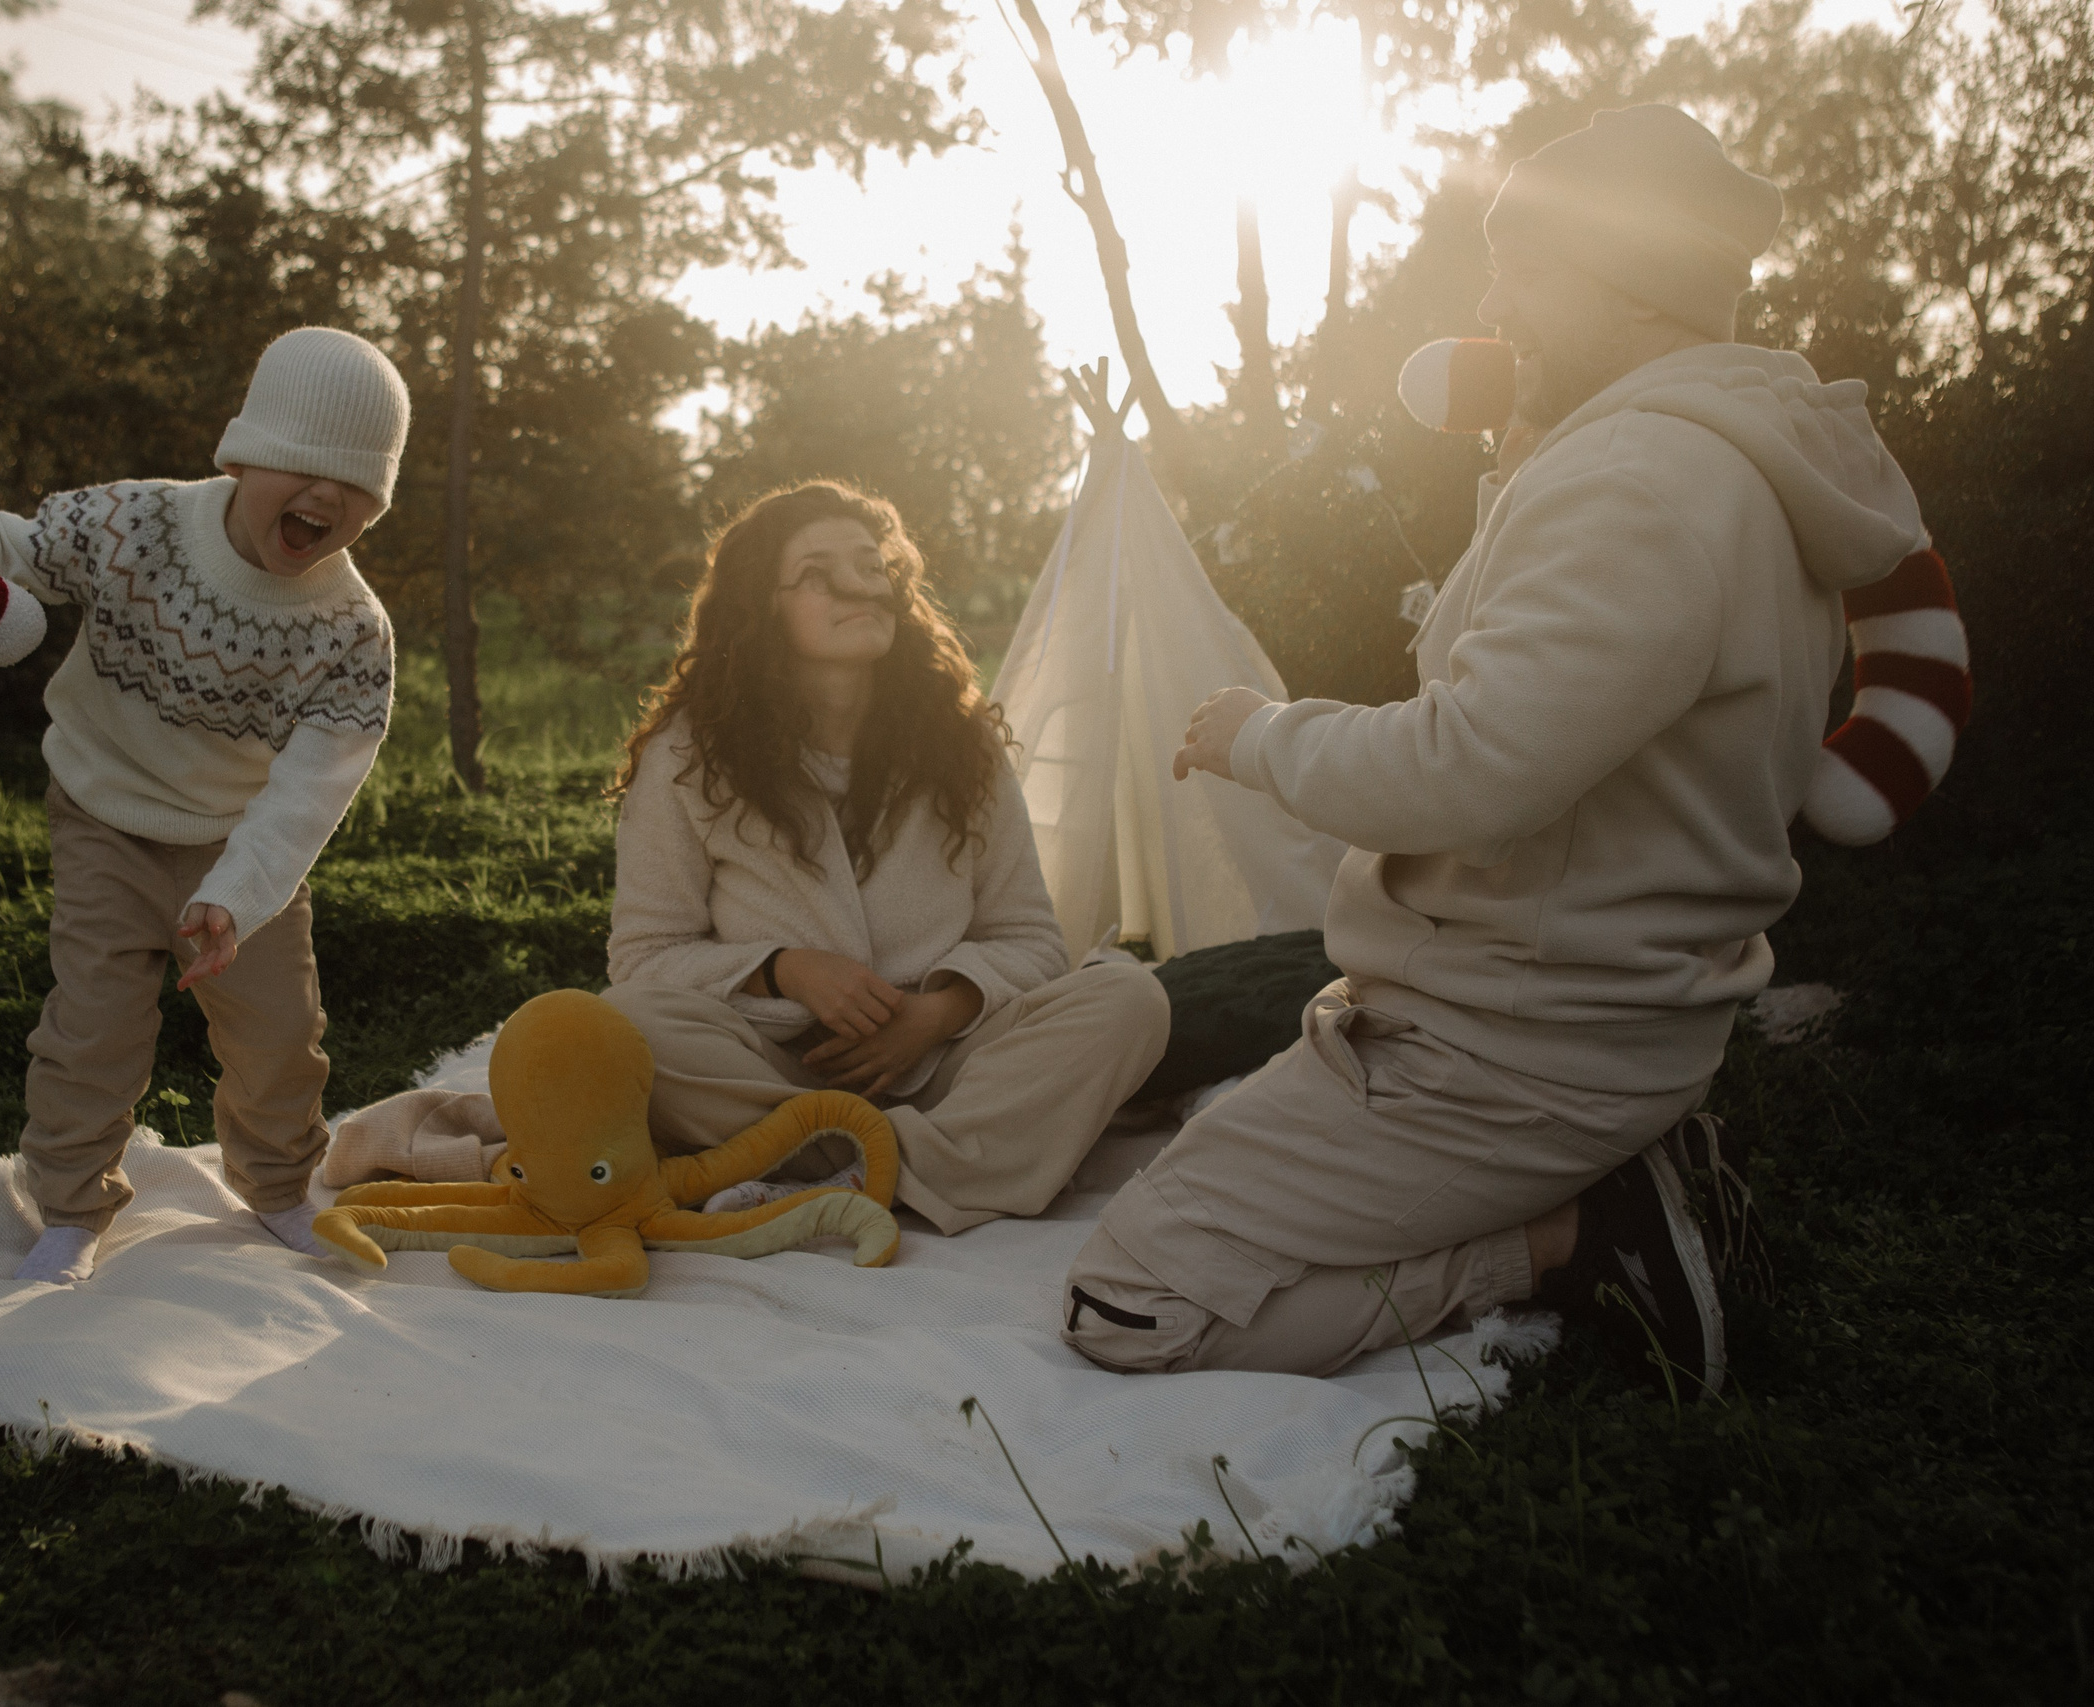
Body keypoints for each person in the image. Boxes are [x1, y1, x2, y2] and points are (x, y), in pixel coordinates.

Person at [1062, 105, 1927, 1397]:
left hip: (1512, 1050)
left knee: (1123, 1294)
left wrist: (1263, 734)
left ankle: (1580, 1239)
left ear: (1628, 284)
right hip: (1586, 1014)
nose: (1491, 299)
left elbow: (1470, 767)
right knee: (1190, 1158)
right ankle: (1609, 1179)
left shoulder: (1637, 480)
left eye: (1521, 263)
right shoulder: (1713, 458)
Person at [0, 327, 407, 1284]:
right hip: (105, 815)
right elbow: (14, 546)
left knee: (279, 1033)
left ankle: (275, 1184)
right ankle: (71, 1204)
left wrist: (240, 892)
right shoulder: (137, 525)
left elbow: (315, 785)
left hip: (243, 844)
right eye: (304, 467)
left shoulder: (351, 628)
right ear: (243, 453)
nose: (325, 496)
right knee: (94, 1022)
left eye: (356, 486)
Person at [604, 481, 1171, 1235]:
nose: (857, 586)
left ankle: (841, 1175)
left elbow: (1033, 939)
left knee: (1130, 998)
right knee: (625, 1024)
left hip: (948, 1068)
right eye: (815, 573)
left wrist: (938, 1013)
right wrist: (784, 969)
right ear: (760, 604)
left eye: (871, 566)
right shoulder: (687, 755)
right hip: (780, 1072)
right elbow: (643, 960)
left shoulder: (959, 743)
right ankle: (925, 1166)